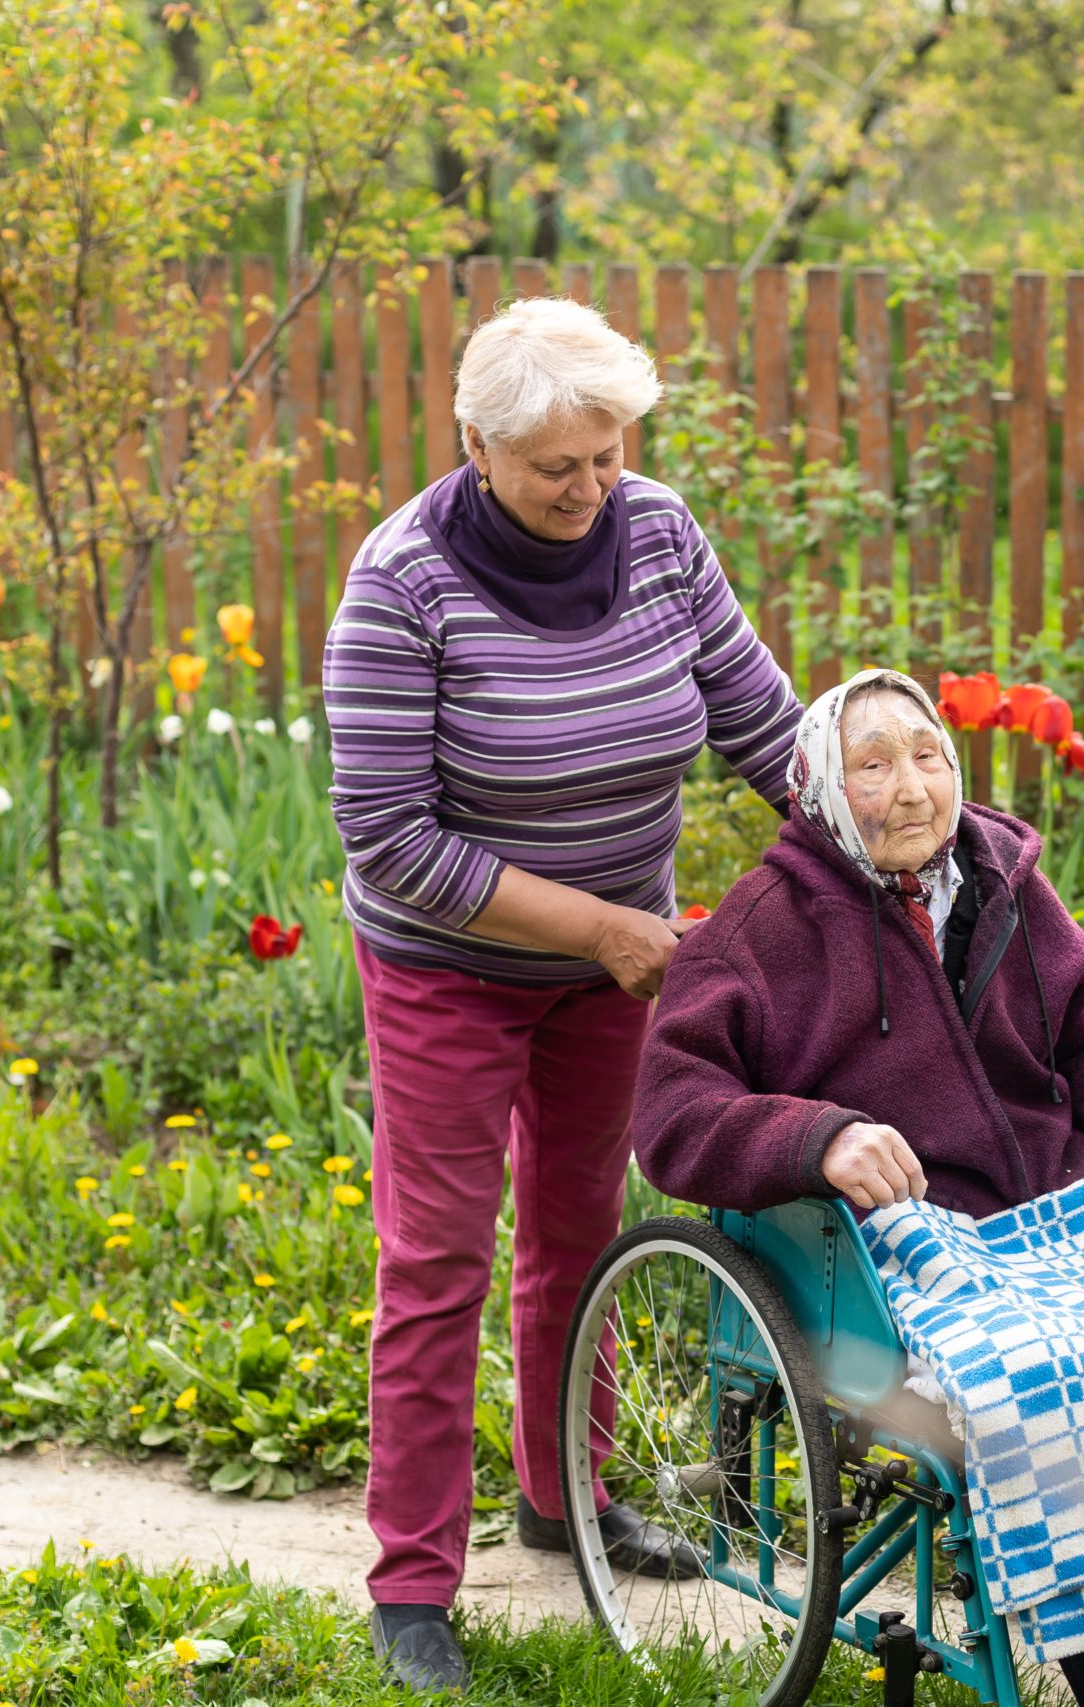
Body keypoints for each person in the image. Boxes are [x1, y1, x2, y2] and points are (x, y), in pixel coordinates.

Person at [631, 667, 1084, 1707]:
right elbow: (674, 1117)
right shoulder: (761, 929)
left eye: (929, 757)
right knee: (1059, 1388)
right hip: (905, 1256)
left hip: (1069, 1221)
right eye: (873, 765)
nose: (912, 789)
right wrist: (817, 1137)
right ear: (821, 785)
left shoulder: (1002, 877)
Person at [322, 296, 803, 1696]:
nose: (592, 488)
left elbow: (762, 725)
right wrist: (604, 926)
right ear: (477, 442)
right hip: (447, 969)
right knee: (439, 1259)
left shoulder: (657, 531)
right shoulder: (400, 584)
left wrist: (886, 836)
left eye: (609, 453)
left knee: (581, 1233)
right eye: (557, 467)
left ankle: (565, 1495)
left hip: (614, 968)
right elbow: (391, 839)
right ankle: (413, 1586)